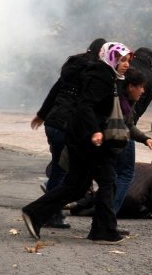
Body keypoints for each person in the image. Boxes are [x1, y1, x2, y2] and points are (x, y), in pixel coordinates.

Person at [22, 42, 133, 244]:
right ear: (110, 58)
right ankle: (104, 231)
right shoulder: (101, 76)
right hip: (89, 139)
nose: (126, 64)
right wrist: (95, 131)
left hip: (82, 137)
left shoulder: (108, 76)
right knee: (107, 180)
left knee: (77, 185)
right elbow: (86, 105)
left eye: (127, 60)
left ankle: (34, 213)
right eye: (121, 60)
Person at [30, 38, 105, 228]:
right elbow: (86, 103)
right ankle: (49, 213)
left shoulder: (71, 66)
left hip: (53, 122)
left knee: (59, 169)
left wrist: (41, 114)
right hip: (67, 125)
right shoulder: (93, 71)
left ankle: (49, 210)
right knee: (64, 173)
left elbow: (55, 90)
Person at [113, 67, 152, 214]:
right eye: (141, 87)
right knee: (125, 176)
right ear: (130, 87)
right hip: (118, 141)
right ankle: (109, 217)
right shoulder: (117, 101)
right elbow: (126, 126)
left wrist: (145, 139)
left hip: (116, 140)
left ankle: (106, 218)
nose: (143, 91)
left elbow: (129, 124)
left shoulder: (126, 100)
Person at [69, 159, 152, 219]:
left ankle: (77, 204)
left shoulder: (137, 164)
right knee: (103, 211)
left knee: (97, 199)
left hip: (108, 191)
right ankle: (87, 211)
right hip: (130, 202)